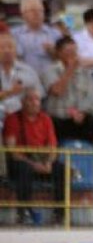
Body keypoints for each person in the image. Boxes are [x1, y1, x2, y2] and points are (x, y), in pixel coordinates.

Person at [3, 89, 63, 225]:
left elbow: (53, 147)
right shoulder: (12, 119)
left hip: (42, 161)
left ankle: (60, 213)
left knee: (61, 169)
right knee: (24, 169)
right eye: (30, 99)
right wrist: (33, 164)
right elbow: (12, 152)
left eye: (37, 99)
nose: (35, 103)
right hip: (22, 162)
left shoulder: (46, 119)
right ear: (22, 102)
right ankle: (23, 212)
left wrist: (48, 163)